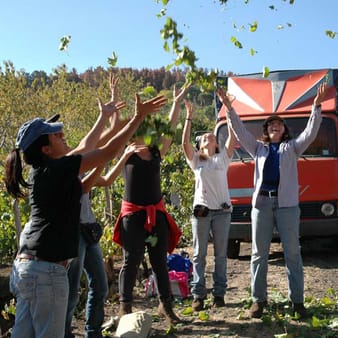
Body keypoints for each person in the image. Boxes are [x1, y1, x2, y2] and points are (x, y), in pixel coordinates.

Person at [5, 89, 167, 338]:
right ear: (46, 149)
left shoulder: (44, 172)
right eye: (54, 135)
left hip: (27, 270)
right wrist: (137, 118)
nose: (61, 136)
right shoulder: (55, 169)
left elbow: (85, 180)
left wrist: (105, 121)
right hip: (46, 273)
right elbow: (107, 150)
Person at [216, 82, 328, 319]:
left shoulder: (292, 147)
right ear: (266, 130)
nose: (275, 126)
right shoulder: (258, 149)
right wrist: (228, 107)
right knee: (258, 254)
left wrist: (316, 107)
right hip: (262, 206)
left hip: (287, 206)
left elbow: (310, 132)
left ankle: (297, 302)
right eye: (271, 124)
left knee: (293, 253)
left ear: (284, 130)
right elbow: (239, 130)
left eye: (279, 124)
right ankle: (258, 301)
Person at [112, 83, 190, 326]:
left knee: (159, 261)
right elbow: (116, 131)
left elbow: (169, 128)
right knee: (131, 261)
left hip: (156, 216)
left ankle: (166, 307)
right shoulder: (125, 154)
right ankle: (125, 308)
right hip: (133, 217)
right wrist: (114, 104)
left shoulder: (157, 152)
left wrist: (176, 103)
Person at [64, 75, 134, 338]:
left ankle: (92, 332)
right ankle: (66, 333)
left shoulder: (77, 166)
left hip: (87, 231)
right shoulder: (66, 168)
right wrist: (108, 153)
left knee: (101, 285)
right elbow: (103, 149)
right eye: (60, 137)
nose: (65, 139)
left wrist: (113, 106)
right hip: (73, 234)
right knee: (71, 291)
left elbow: (105, 178)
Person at [181, 99, 236, 311]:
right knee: (199, 254)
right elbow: (184, 142)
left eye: (210, 136)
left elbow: (232, 137)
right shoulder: (196, 160)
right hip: (202, 212)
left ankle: (219, 294)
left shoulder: (223, 158)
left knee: (221, 254)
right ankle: (198, 295)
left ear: (216, 143)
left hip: (222, 212)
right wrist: (189, 116)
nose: (207, 136)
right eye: (203, 137)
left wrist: (229, 110)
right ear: (201, 145)